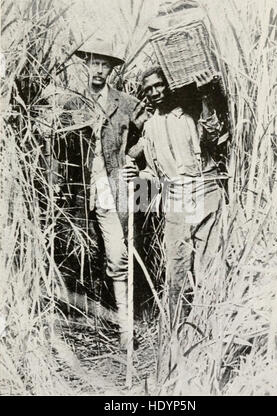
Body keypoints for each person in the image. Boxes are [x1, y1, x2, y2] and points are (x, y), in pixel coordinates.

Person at [54, 36, 148, 349]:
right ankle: (85, 329)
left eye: (104, 65)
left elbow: (150, 131)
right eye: (94, 63)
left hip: (113, 189)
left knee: (119, 256)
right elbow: (51, 134)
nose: (98, 70)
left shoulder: (125, 102)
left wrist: (134, 158)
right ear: (86, 65)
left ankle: (124, 330)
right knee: (80, 256)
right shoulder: (72, 101)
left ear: (111, 70)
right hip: (78, 191)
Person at [124, 66, 228, 329]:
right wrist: (135, 174)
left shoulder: (190, 112)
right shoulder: (150, 127)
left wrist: (205, 98)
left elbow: (213, 138)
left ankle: (211, 331)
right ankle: (176, 338)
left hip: (205, 193)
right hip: (176, 202)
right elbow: (151, 173)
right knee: (177, 273)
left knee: (208, 268)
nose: (155, 92)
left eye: (159, 85)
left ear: (168, 84)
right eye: (148, 89)